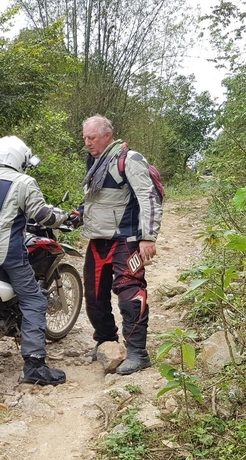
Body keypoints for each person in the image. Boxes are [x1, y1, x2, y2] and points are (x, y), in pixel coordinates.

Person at [0, 135, 69, 386]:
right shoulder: (23, 181)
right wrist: (61, 217)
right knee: (34, 300)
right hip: (8, 255)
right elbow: (42, 216)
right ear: (19, 159)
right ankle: (34, 365)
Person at [75, 114, 163, 375]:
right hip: (98, 239)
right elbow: (95, 200)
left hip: (127, 239)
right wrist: (79, 215)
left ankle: (137, 352)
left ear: (107, 136)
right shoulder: (96, 162)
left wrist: (148, 236)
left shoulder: (129, 159)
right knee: (93, 295)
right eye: (85, 138)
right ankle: (106, 342)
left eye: (91, 138)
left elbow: (148, 197)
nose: (88, 143)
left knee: (130, 293)